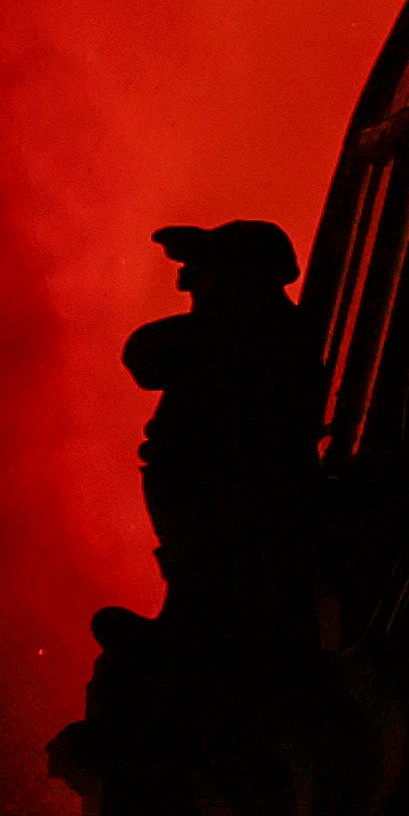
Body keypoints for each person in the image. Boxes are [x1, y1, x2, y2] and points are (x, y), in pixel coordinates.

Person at [120, 218, 322, 655]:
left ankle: (200, 626)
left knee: (210, 580)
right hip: (211, 501)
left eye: (204, 272)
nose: (191, 285)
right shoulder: (243, 335)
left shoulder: (258, 339)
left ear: (244, 278)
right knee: (196, 570)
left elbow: (149, 357)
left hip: (231, 505)